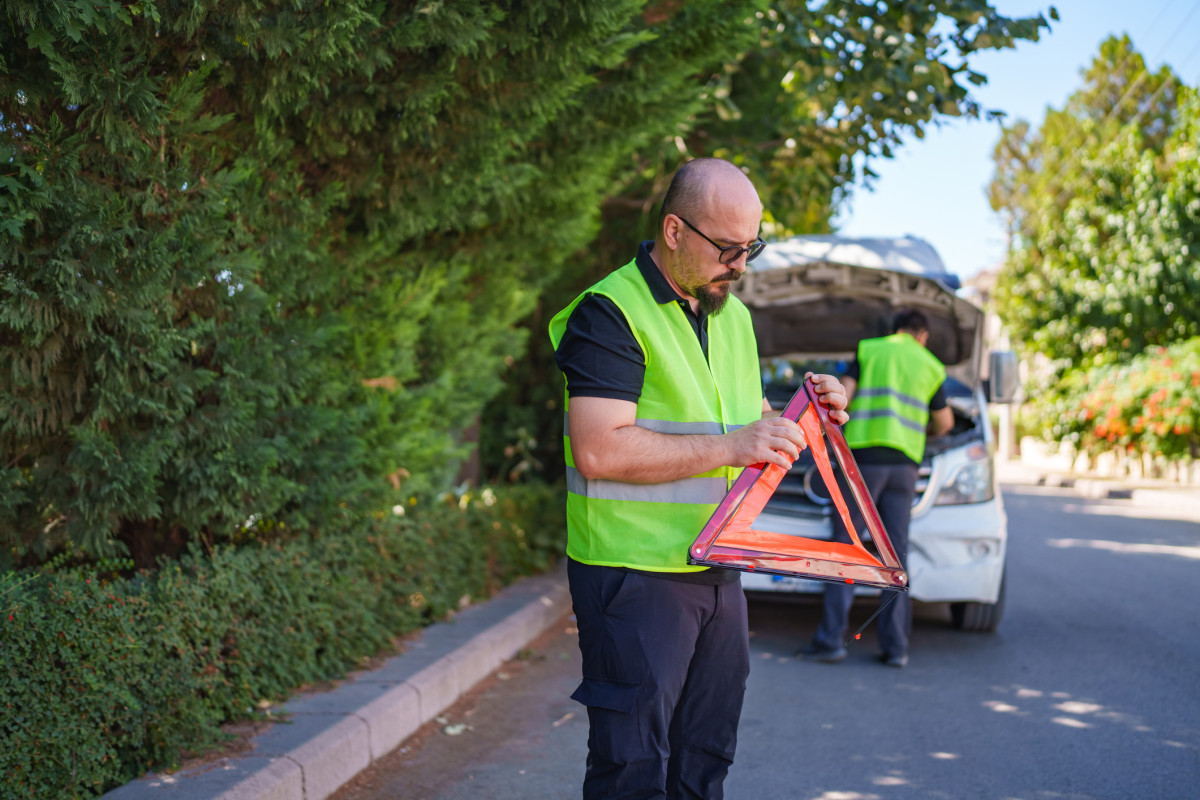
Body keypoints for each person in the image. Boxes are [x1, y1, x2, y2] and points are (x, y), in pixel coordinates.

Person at [548, 157, 849, 799]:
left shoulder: (731, 315)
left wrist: (806, 416)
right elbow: (598, 449)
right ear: (675, 230)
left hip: (718, 566)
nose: (740, 265)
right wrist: (735, 444)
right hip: (633, 574)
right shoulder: (610, 312)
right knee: (632, 771)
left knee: (704, 761)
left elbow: (748, 422)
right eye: (728, 248)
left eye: (751, 248)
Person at [800, 308, 954, 669]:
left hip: (863, 463)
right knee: (895, 553)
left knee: (847, 546)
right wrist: (922, 432)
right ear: (923, 336)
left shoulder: (870, 350)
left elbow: (842, 398)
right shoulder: (931, 365)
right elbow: (945, 422)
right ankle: (896, 647)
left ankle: (830, 641)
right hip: (905, 467)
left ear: (894, 329)